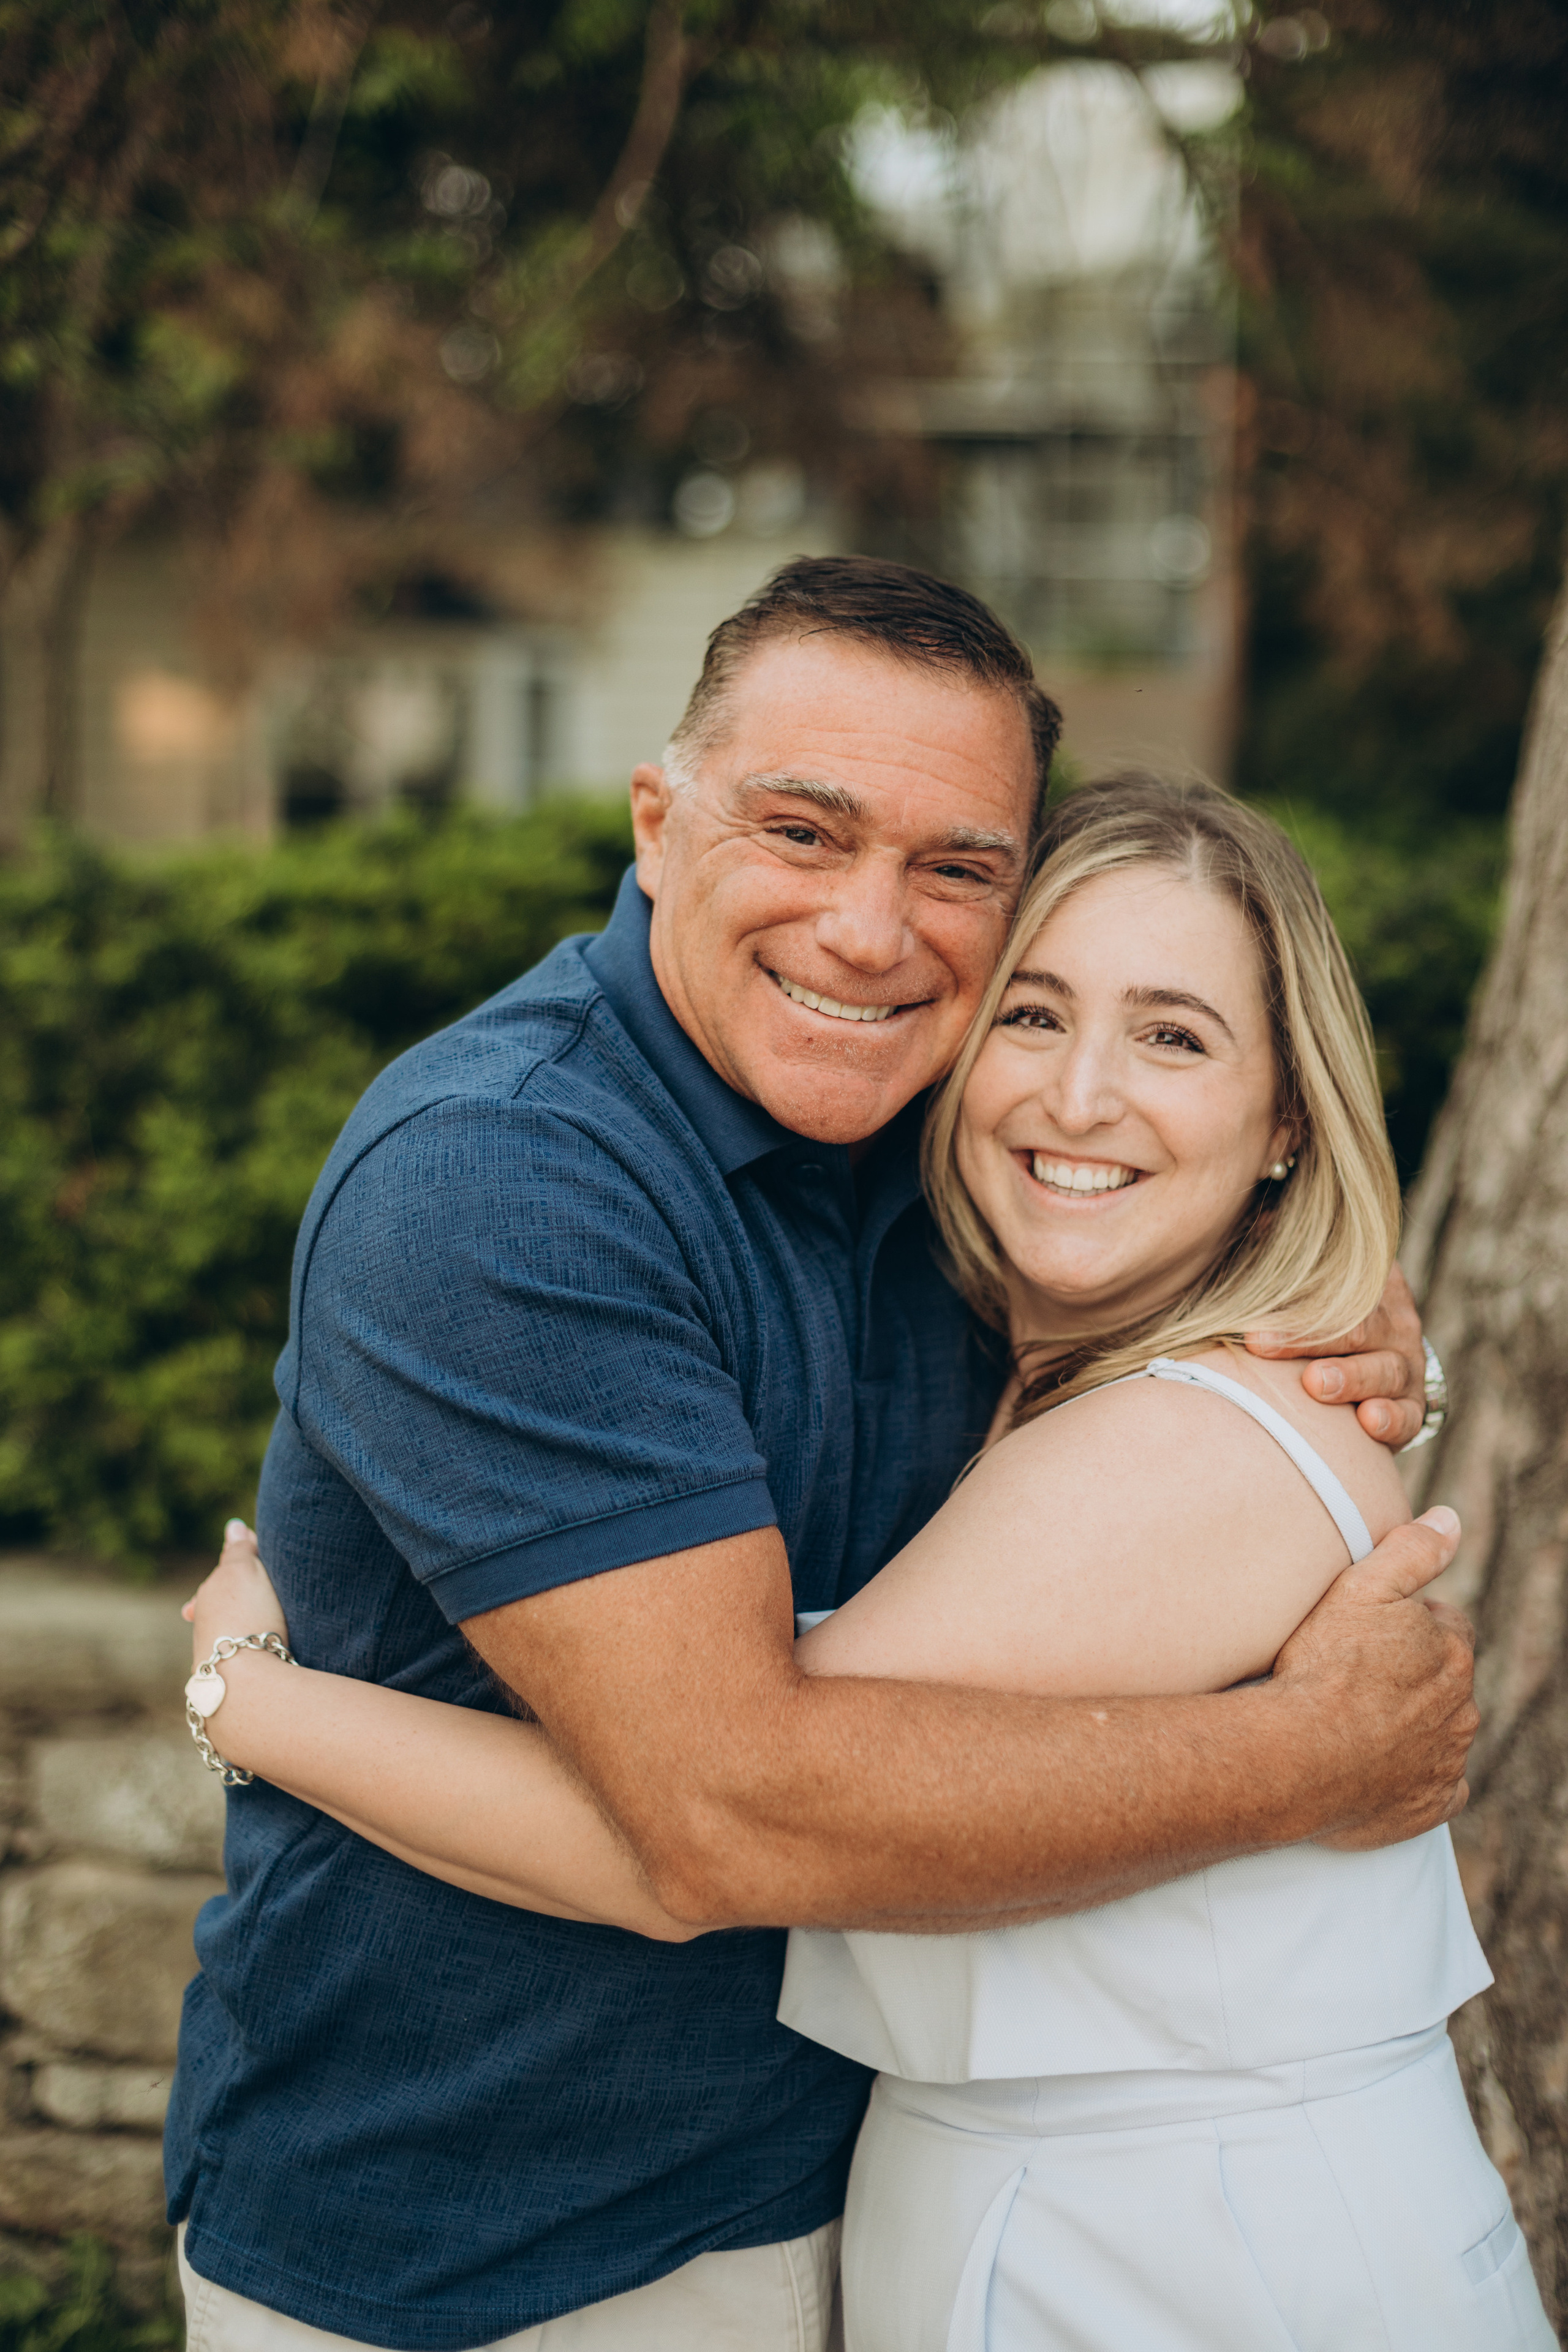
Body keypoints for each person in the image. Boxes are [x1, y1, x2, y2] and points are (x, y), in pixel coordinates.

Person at [168, 562, 1472, 2352]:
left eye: (956, 874)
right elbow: (730, 1816)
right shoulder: (510, 1182)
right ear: (655, 823)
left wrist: (251, 1698)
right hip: (468, 2247)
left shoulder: (918, 1146)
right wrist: (1308, 1752)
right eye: (802, 830)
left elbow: (1115, 1147)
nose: (872, 934)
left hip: (981, 2234)